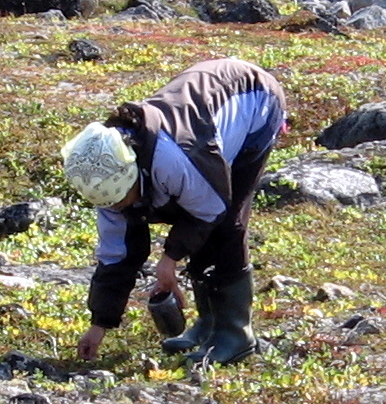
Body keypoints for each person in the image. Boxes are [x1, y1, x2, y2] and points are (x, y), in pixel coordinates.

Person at [62, 57, 288, 366]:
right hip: (199, 125)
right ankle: (209, 325)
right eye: (112, 205)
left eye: (123, 200)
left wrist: (169, 259)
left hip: (255, 99)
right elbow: (118, 255)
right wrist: (99, 324)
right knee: (193, 212)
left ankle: (235, 335)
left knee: (226, 223)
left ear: (135, 171)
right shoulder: (107, 179)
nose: (118, 209)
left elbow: (211, 210)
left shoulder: (177, 157)